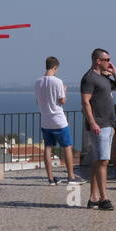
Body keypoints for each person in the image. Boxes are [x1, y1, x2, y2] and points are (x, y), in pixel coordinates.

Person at [80, 48, 116, 210]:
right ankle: (104, 198)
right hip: (99, 125)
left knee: (98, 161)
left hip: (109, 124)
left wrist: (115, 73)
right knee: (103, 161)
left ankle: (93, 197)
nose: (109, 62)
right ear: (98, 60)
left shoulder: (104, 78)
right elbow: (85, 102)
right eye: (107, 59)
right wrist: (92, 122)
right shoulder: (89, 78)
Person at [34, 57, 77, 186]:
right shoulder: (58, 82)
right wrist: (65, 90)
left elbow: (38, 101)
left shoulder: (38, 82)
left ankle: (50, 178)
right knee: (67, 147)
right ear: (55, 67)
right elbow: (62, 101)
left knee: (48, 147)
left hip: (45, 120)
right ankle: (71, 176)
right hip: (58, 120)